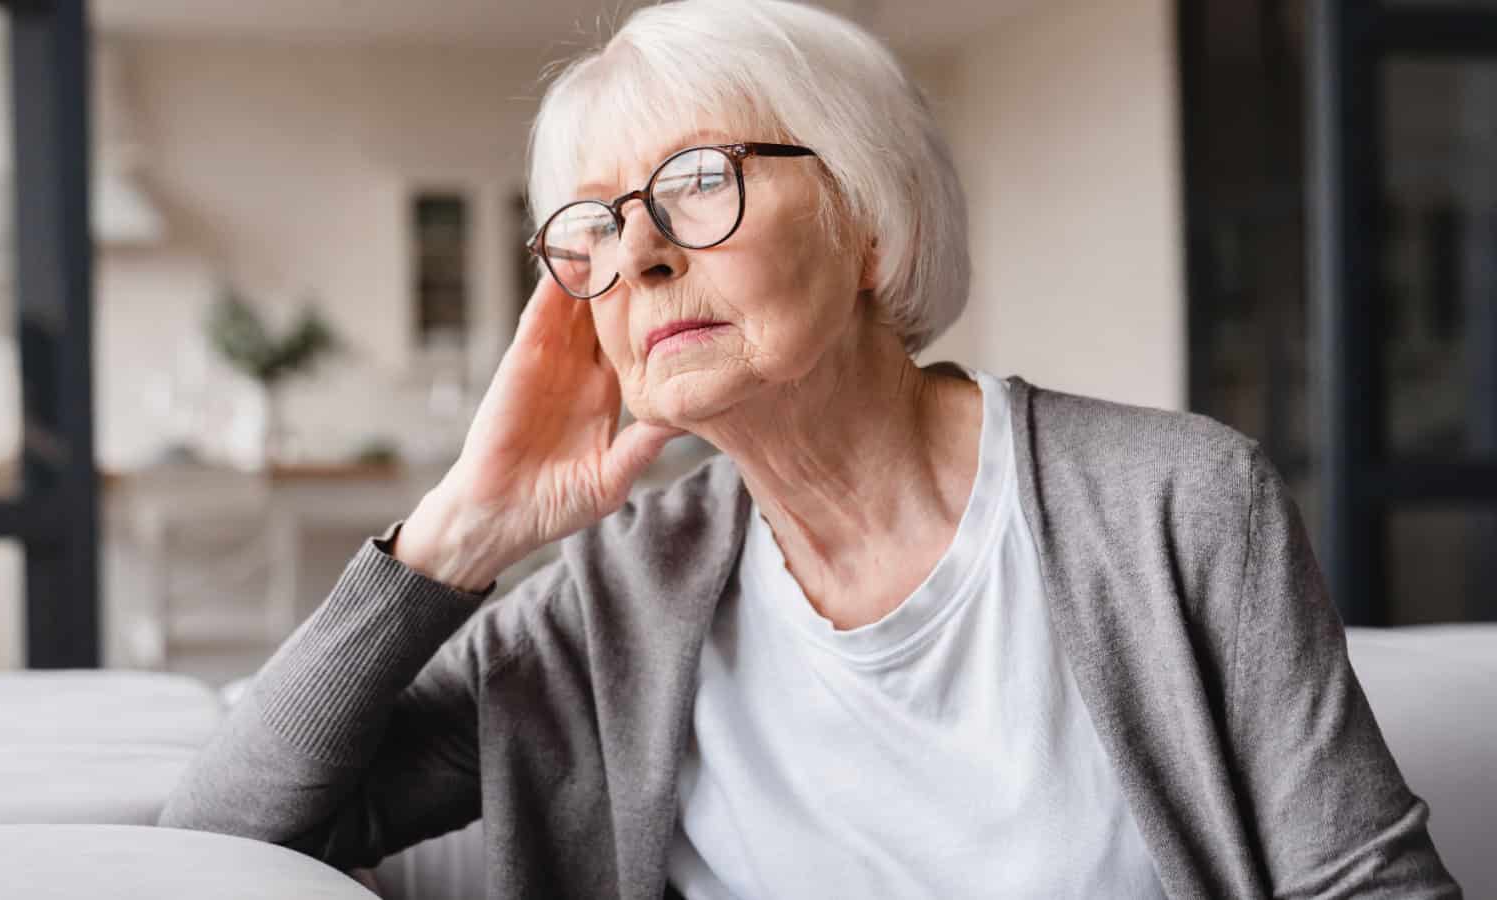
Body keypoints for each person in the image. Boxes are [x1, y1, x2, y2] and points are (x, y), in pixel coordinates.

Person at [158, 1, 1458, 897]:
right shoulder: (616, 597)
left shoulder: (1177, 504)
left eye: (699, 180)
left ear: (871, 225)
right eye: (595, 224)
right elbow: (221, 839)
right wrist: (459, 532)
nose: (640, 251)